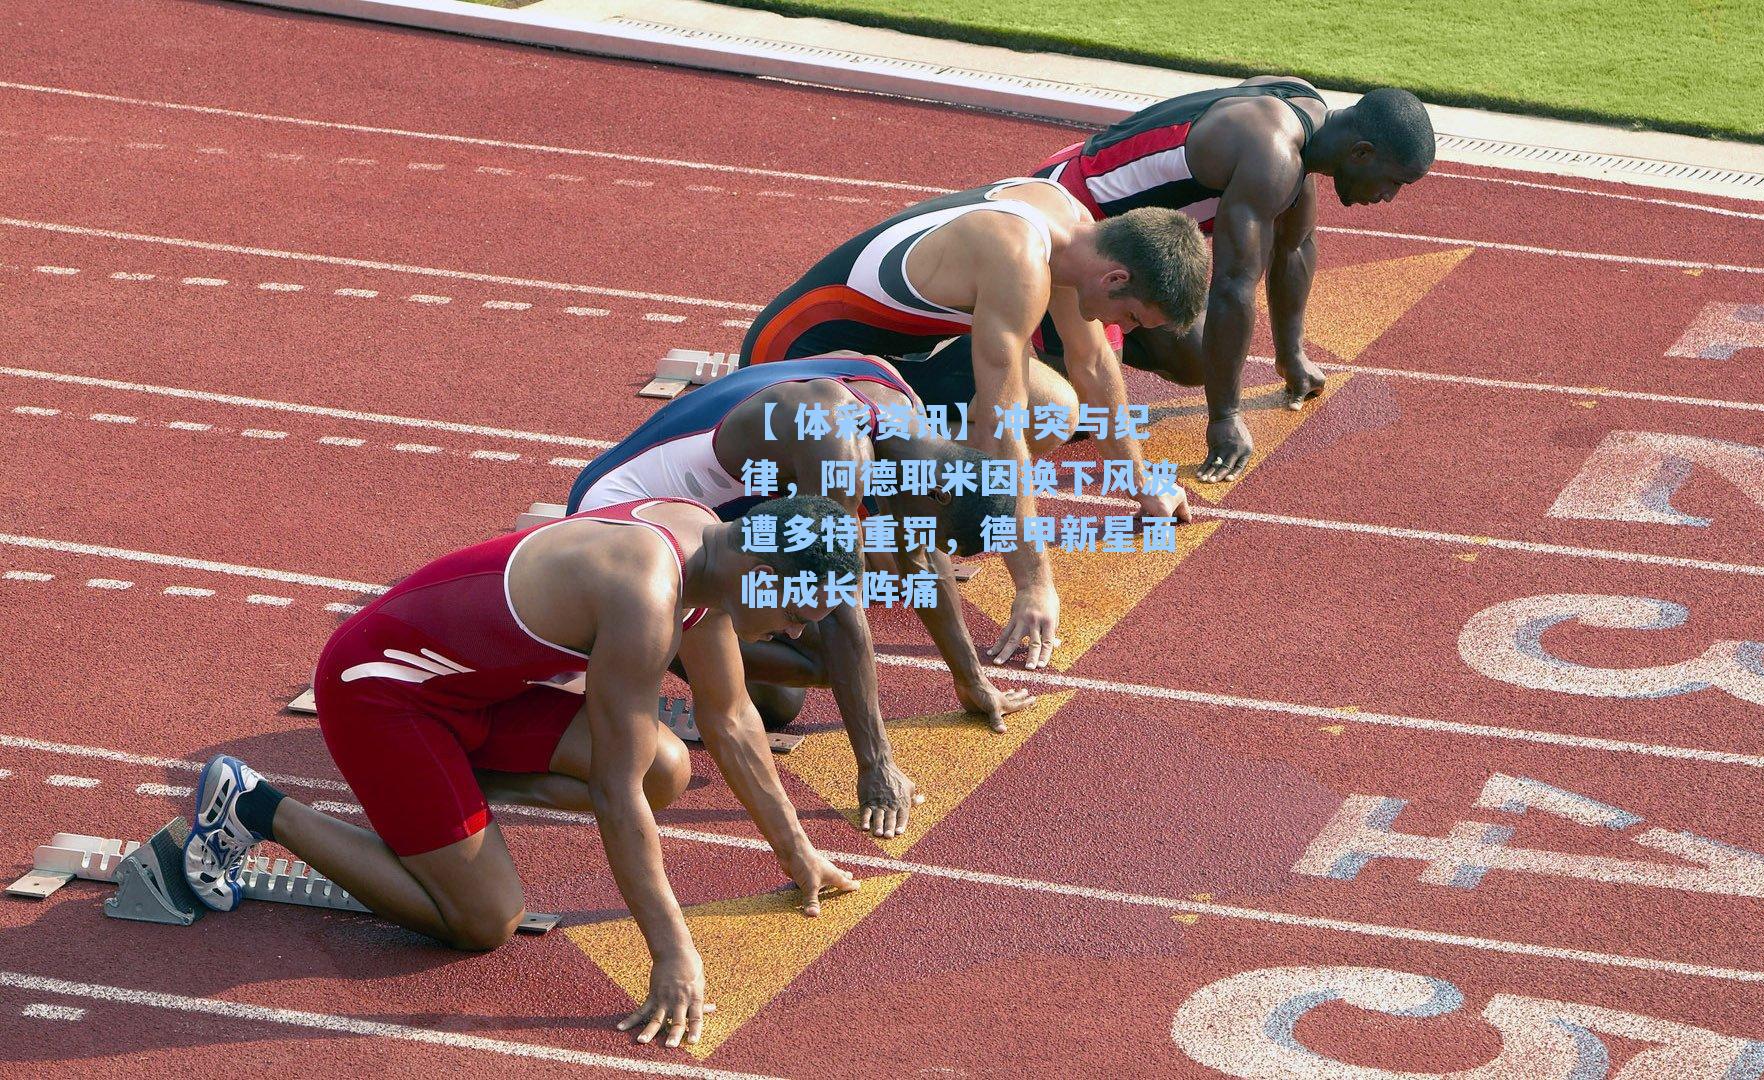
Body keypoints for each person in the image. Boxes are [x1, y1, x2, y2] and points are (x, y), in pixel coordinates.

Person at [182, 495, 862, 1049]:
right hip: (381, 691)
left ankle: (435, 807)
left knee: (667, 767)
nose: (797, 635)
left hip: (473, 695)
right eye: (800, 612)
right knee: (485, 920)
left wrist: (797, 852)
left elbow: (734, 718)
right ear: (760, 563)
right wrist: (672, 953)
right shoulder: (647, 595)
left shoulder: (708, 552)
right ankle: (255, 806)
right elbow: (613, 793)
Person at [739, 176, 1207, 669]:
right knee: (883, 568)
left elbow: (1092, 363)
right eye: (1131, 317)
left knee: (1053, 412)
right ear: (1115, 279)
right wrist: (1033, 583)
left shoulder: (1076, 232)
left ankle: (890, 488)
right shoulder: (1019, 260)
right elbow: (999, 426)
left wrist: (1140, 481)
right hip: (792, 359)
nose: (1125, 332)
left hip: (888, 353)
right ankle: (865, 496)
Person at [567, 352, 1033, 839]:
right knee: (825, 664)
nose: (929, 546)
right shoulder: (839, 452)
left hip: (708, 514)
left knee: (793, 692)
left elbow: (918, 558)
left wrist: (972, 682)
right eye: (941, 535)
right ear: (940, 491)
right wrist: (876, 767)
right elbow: (837, 607)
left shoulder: (905, 414)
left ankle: (681, 643)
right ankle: (642, 646)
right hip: (621, 517)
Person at [1034, 82, 1435, 482]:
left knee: (1197, 356)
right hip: (1070, 218)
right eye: (1393, 182)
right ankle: (1019, 329)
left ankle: (1085, 334)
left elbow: (1294, 245)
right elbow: (1232, 286)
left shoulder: (1305, 116)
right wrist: (1225, 417)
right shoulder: (1272, 155)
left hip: (1116, 236)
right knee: (1072, 416)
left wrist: (1291, 355)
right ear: (1361, 152)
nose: (1388, 197)